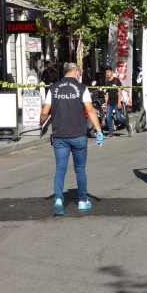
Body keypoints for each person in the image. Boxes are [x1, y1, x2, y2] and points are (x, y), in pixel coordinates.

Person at [40, 63, 103, 216]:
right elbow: (90, 110)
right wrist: (99, 130)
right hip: (78, 134)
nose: (80, 73)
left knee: (60, 168)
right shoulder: (82, 88)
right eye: (79, 71)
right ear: (75, 71)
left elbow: (44, 112)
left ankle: (58, 200)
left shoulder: (54, 88)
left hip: (60, 135)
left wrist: (42, 124)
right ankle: (82, 201)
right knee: (80, 169)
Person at [103, 66, 132, 137]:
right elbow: (107, 92)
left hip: (116, 101)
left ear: (112, 72)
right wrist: (106, 102)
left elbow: (119, 92)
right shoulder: (106, 81)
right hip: (110, 102)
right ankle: (111, 133)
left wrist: (119, 102)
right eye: (106, 72)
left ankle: (127, 126)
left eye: (109, 72)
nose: (108, 73)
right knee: (108, 117)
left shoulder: (116, 80)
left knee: (119, 117)